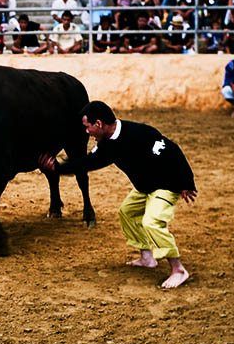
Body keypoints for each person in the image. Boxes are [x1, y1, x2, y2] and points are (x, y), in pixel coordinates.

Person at [39, 101, 197, 289]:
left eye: (87, 126)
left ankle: (178, 270)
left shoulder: (140, 133)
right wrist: (57, 167)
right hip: (144, 188)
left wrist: (186, 182)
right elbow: (88, 162)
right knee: (127, 212)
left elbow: (173, 151)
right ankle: (147, 258)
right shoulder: (106, 145)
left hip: (167, 185)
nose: (86, 131)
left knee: (151, 222)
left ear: (98, 124)